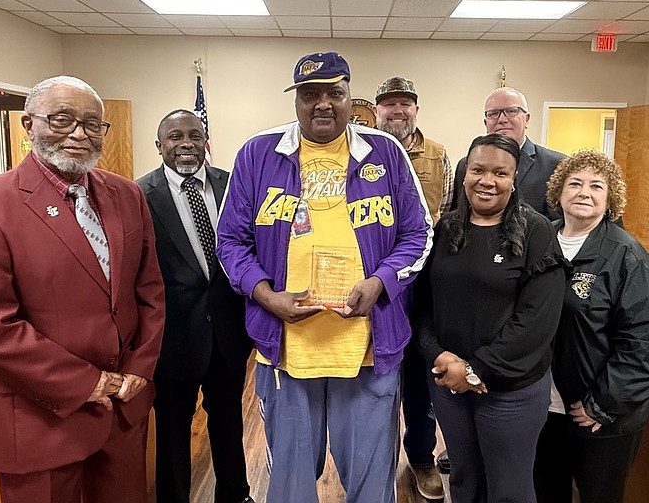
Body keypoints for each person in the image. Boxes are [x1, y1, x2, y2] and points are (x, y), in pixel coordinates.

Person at [216, 51, 432, 503]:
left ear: (350, 97)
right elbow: (230, 241)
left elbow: (419, 234)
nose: (322, 104)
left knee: (372, 481)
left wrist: (381, 281)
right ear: (296, 100)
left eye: (334, 93)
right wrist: (265, 295)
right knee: (290, 483)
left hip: (368, 349)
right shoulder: (258, 153)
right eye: (310, 94)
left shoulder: (385, 152)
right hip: (287, 350)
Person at [0, 76, 165, 503]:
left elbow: (150, 290)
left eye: (92, 123)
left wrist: (141, 367)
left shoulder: (127, 195)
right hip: (40, 418)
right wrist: (87, 382)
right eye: (62, 119)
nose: (79, 134)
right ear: (29, 124)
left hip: (123, 409)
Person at [414, 133, 568, 503]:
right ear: (465, 173)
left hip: (509, 392)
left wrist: (475, 369)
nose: (487, 181)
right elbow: (421, 305)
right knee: (464, 480)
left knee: (509, 490)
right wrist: (438, 354)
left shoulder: (536, 232)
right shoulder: (446, 229)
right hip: (450, 385)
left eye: (500, 173)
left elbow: (537, 320)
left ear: (513, 179)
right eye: (478, 170)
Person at [534, 149, 649, 503]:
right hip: (542, 407)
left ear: (610, 200)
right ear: (558, 192)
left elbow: (646, 341)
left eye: (597, 186)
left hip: (601, 413)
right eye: (575, 183)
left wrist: (602, 403)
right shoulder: (539, 241)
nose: (584, 192)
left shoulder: (626, 255)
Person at [137, 110, 254, 503]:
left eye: (194, 135)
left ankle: (235, 494)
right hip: (173, 337)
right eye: (175, 136)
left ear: (205, 141)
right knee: (172, 431)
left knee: (228, 421)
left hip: (228, 333)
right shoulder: (139, 195)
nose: (186, 143)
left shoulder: (232, 184)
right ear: (159, 146)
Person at [374, 75, 452, 500]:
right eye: (389, 103)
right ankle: (374, 463)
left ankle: (422, 458)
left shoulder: (439, 155)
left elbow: (451, 216)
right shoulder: (361, 149)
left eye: (405, 103)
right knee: (376, 380)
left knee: (422, 380)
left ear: (416, 109)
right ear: (377, 110)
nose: (397, 110)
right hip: (375, 284)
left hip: (423, 284)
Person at [451, 87, 566, 219]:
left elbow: (559, 223)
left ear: (527, 119)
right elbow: (459, 214)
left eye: (511, 111)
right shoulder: (465, 165)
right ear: (486, 123)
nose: (502, 119)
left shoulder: (556, 165)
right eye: (493, 113)